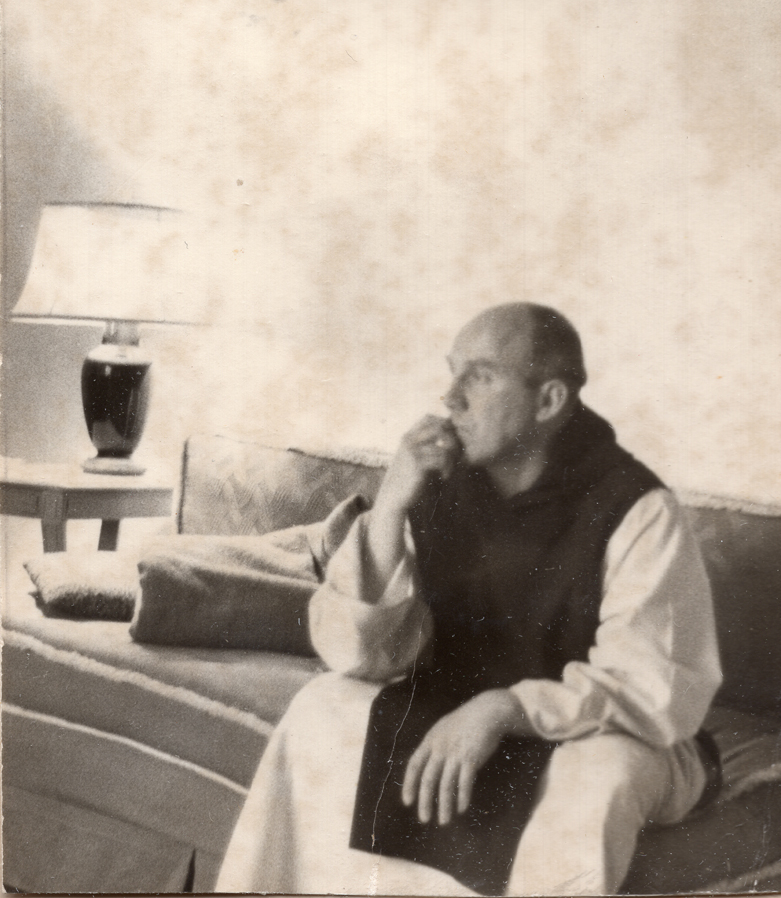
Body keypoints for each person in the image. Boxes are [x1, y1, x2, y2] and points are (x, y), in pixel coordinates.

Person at [216, 303, 721, 897]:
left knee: (599, 777)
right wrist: (391, 505)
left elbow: (651, 689)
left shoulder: (637, 507)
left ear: (549, 400)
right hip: (466, 706)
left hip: (610, 729)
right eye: (452, 372)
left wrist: (504, 709)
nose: (450, 397)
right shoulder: (438, 481)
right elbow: (357, 655)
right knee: (323, 706)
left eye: (479, 376)